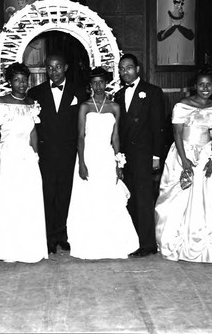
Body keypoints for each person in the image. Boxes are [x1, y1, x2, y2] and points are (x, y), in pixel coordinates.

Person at [155, 72, 212, 262]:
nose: (205, 88)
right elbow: (177, 134)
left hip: (206, 153)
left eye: (208, 85)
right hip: (184, 152)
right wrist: (184, 160)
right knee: (178, 197)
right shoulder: (182, 105)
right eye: (201, 85)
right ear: (195, 86)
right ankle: (176, 243)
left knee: (208, 197)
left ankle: (208, 243)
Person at [67, 67, 139, 259]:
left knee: (108, 197)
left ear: (106, 84)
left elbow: (116, 138)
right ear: (90, 85)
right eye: (94, 82)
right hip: (89, 156)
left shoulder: (114, 107)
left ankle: (112, 243)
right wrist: (81, 162)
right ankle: (89, 243)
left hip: (106, 157)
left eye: (101, 82)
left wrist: (118, 163)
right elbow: (80, 136)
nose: (98, 86)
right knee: (89, 198)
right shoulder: (85, 106)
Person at [0, 62, 48, 263]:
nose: (22, 84)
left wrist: (36, 155)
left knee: (28, 202)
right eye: (17, 80)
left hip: (27, 158)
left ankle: (28, 248)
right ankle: (7, 248)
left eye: (24, 80)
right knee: (8, 202)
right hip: (7, 156)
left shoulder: (31, 104)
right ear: (9, 82)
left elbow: (33, 132)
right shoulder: (0, 104)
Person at [27, 54, 88, 254]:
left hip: (68, 152)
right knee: (47, 194)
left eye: (58, 67)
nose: (54, 71)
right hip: (44, 152)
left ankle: (62, 235)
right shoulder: (35, 93)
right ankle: (49, 237)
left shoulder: (78, 92)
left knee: (65, 194)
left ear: (66, 67)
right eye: (50, 68)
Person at [114, 53, 165, 257]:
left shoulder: (152, 92)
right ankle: (134, 241)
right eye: (121, 69)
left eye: (128, 68)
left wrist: (156, 156)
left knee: (144, 199)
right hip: (126, 156)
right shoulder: (118, 95)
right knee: (131, 198)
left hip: (144, 154)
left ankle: (148, 244)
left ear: (138, 69)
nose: (125, 72)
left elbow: (158, 126)